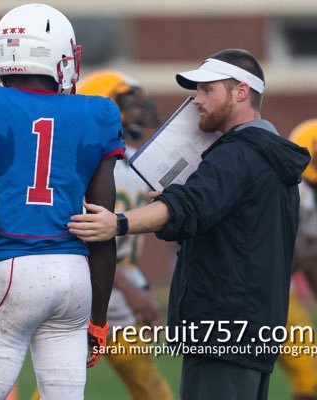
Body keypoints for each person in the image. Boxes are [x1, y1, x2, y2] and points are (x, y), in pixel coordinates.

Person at [68, 48, 311, 400]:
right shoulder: (268, 157)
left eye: (206, 90)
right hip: (253, 333)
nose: (195, 100)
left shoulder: (237, 154)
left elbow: (187, 206)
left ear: (241, 91)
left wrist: (117, 224)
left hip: (222, 335)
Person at [0, 4, 125, 400]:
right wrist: (98, 321)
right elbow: (102, 228)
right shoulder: (97, 111)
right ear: (58, 54)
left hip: (12, 269)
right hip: (75, 280)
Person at [30, 70, 173, 400]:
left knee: (151, 389)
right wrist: (132, 291)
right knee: (57, 387)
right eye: (127, 103)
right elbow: (89, 239)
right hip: (91, 291)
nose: (137, 111)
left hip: (122, 292)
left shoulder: (134, 162)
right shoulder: (90, 166)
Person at [280, 119, 317, 400]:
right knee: (310, 378)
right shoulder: (300, 191)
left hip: (277, 292)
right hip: (268, 292)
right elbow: (297, 255)